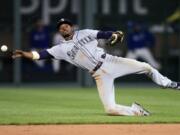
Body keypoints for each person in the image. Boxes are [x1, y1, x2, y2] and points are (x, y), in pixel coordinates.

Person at [12, 18, 180, 116]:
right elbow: (40, 55)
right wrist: (25, 54)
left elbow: (103, 34)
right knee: (110, 109)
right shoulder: (60, 49)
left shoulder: (84, 32)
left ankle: (169, 84)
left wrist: (114, 34)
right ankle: (137, 111)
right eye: (61, 27)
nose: (64, 27)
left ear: (71, 26)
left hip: (111, 61)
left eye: (67, 25)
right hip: (99, 75)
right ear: (60, 32)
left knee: (147, 67)